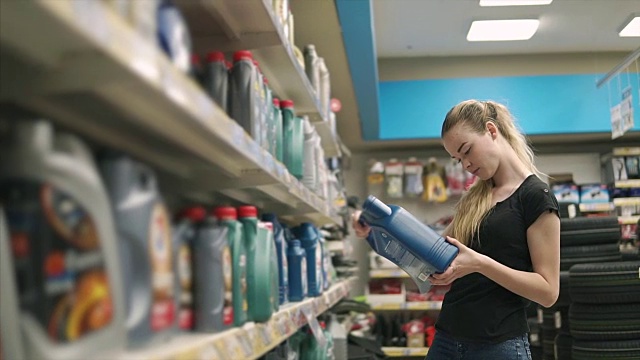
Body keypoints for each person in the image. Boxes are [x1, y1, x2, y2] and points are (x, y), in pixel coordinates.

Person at [352, 100, 560, 360]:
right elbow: (430, 254)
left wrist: (481, 264)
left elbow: (549, 291)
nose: (465, 165)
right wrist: (374, 231)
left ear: (492, 130)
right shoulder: (475, 197)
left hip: (498, 346)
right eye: (458, 159)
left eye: (467, 151)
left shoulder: (535, 197)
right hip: (447, 340)